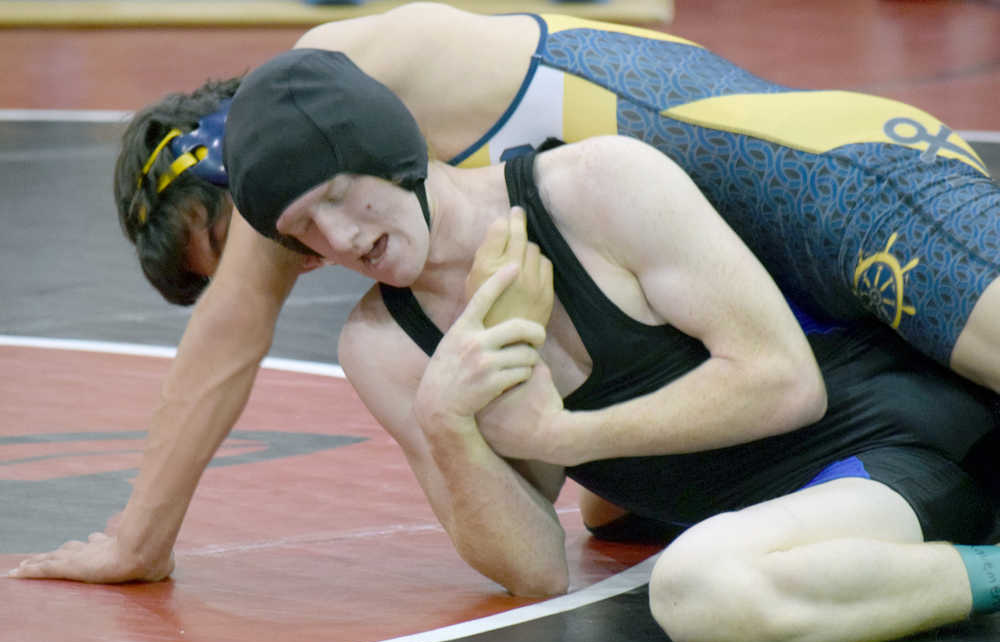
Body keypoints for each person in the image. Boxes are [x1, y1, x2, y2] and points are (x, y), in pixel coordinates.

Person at [14, 48, 1000, 642]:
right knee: (668, 553)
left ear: (385, 145)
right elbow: (534, 570)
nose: (342, 236)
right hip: (768, 510)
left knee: (698, 588)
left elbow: (781, 383)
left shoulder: (598, 185)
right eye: (305, 230)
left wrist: (556, 429)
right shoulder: (385, 347)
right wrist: (451, 425)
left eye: (342, 193)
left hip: (881, 436)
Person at [114, 2, 1000, 394]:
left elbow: (229, 340)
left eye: (251, 240)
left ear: (238, 155)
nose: (297, 257)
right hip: (812, 298)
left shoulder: (345, 70)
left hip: (854, 194)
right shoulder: (431, 223)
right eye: (292, 242)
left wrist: (138, 535)